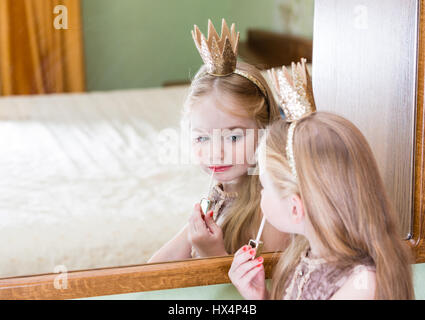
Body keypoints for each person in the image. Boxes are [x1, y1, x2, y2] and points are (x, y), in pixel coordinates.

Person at [228, 59, 415, 299]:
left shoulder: (362, 284)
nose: (260, 193)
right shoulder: (305, 254)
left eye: (264, 186)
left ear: (295, 208)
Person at [148, 19, 289, 263]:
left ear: (266, 131)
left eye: (233, 137)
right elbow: (153, 272)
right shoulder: (219, 194)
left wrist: (211, 256)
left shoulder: (272, 213)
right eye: (202, 137)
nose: (216, 153)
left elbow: (263, 292)